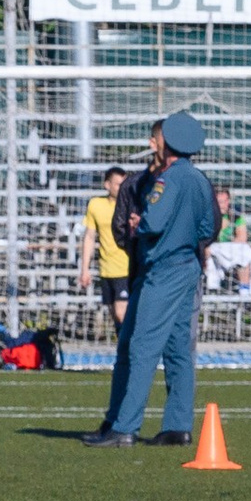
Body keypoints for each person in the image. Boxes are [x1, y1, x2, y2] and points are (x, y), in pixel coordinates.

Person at [84, 110, 220, 448]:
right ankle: (177, 426)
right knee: (178, 350)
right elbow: (208, 228)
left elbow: (151, 223)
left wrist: (137, 224)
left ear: (168, 142)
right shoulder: (201, 180)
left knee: (139, 346)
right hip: (188, 266)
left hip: (162, 270)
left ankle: (124, 426)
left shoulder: (168, 179)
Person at [77, 165, 131, 333]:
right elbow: (90, 237)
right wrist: (85, 269)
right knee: (115, 316)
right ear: (107, 185)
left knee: (122, 314)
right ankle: (124, 355)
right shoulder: (96, 205)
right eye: (117, 184)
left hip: (126, 269)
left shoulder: (130, 206)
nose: (121, 188)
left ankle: (133, 354)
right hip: (106, 270)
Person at [207, 186, 251, 297]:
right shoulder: (208, 216)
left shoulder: (235, 215)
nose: (222, 205)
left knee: (245, 254)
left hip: (231, 250)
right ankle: (212, 289)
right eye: (219, 202)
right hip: (214, 251)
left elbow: (242, 237)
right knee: (207, 251)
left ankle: (245, 292)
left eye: (225, 201)